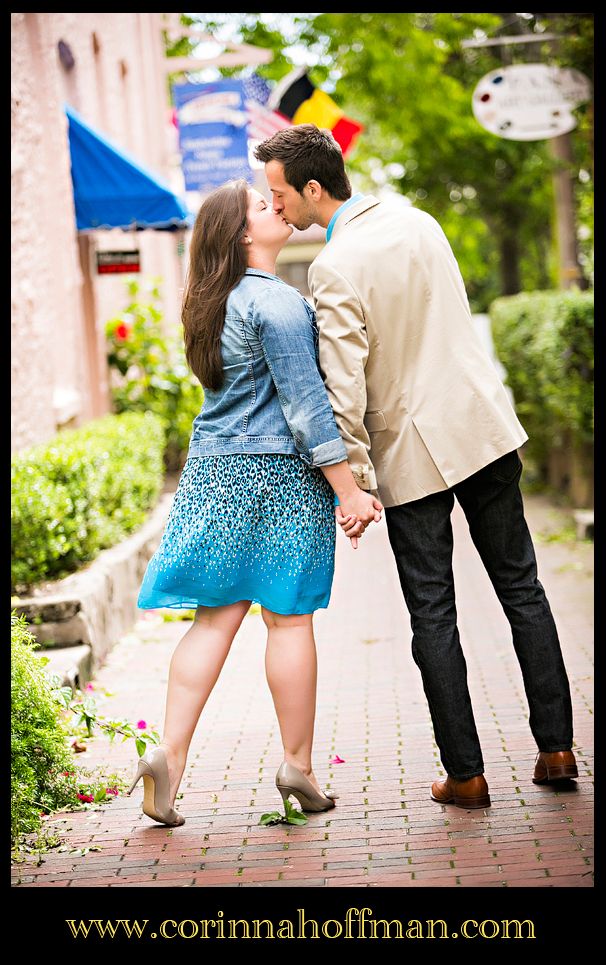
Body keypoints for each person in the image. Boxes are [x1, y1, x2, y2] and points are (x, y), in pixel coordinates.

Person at [255, 125, 578, 809]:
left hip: (412, 452)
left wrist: (357, 484)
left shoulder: (334, 266)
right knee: (523, 589)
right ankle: (557, 750)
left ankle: (466, 774)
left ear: (314, 188)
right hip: (484, 430)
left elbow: (343, 389)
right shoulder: (418, 220)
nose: (275, 205)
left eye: (280, 193)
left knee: (434, 613)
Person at [126, 179, 382, 827]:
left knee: (211, 621)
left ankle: (170, 757)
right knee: (289, 620)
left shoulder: (213, 304)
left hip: (215, 473)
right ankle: (298, 763)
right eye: (263, 206)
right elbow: (306, 408)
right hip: (280, 479)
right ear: (243, 234)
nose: (278, 205)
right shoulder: (279, 305)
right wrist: (348, 490)